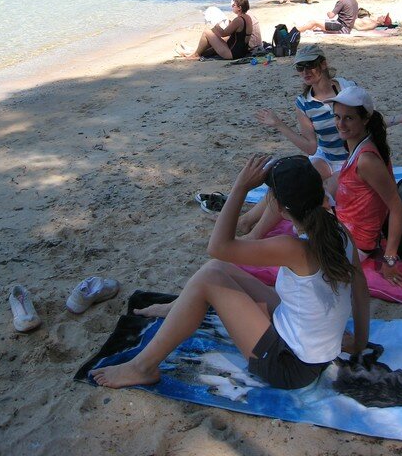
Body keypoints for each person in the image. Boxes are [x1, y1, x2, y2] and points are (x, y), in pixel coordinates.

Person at [90, 154, 370, 391]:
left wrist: (240, 188)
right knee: (218, 269)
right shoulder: (338, 230)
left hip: (290, 367)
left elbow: (218, 246)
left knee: (208, 277)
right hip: (308, 346)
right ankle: (177, 308)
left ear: (282, 210)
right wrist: (360, 340)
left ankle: (143, 367)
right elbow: (359, 285)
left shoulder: (292, 247)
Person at [243, 45, 402, 238]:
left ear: (323, 64)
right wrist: (279, 124)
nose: (305, 72)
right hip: (325, 156)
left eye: (310, 65)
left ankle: (252, 237)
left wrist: (398, 119)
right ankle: (246, 221)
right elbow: (311, 147)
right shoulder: (304, 103)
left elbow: (367, 120)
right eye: (300, 68)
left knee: (322, 190)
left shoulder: (347, 88)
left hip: (349, 160)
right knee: (290, 182)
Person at [324, 86, 402, 286]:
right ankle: (248, 231)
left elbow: (397, 207)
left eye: (349, 118)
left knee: (285, 195)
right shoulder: (357, 144)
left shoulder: (366, 160)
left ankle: (247, 236)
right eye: (337, 117)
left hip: (354, 243)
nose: (340, 124)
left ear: (365, 119)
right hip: (344, 227)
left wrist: (389, 258)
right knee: (290, 186)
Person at [176, 0, 253, 61]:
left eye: (233, 5)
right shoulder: (247, 17)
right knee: (212, 36)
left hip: (232, 54)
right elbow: (236, 32)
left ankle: (195, 55)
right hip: (242, 52)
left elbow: (223, 33)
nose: (232, 7)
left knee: (206, 32)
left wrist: (216, 23)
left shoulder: (238, 20)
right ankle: (193, 52)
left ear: (239, 8)